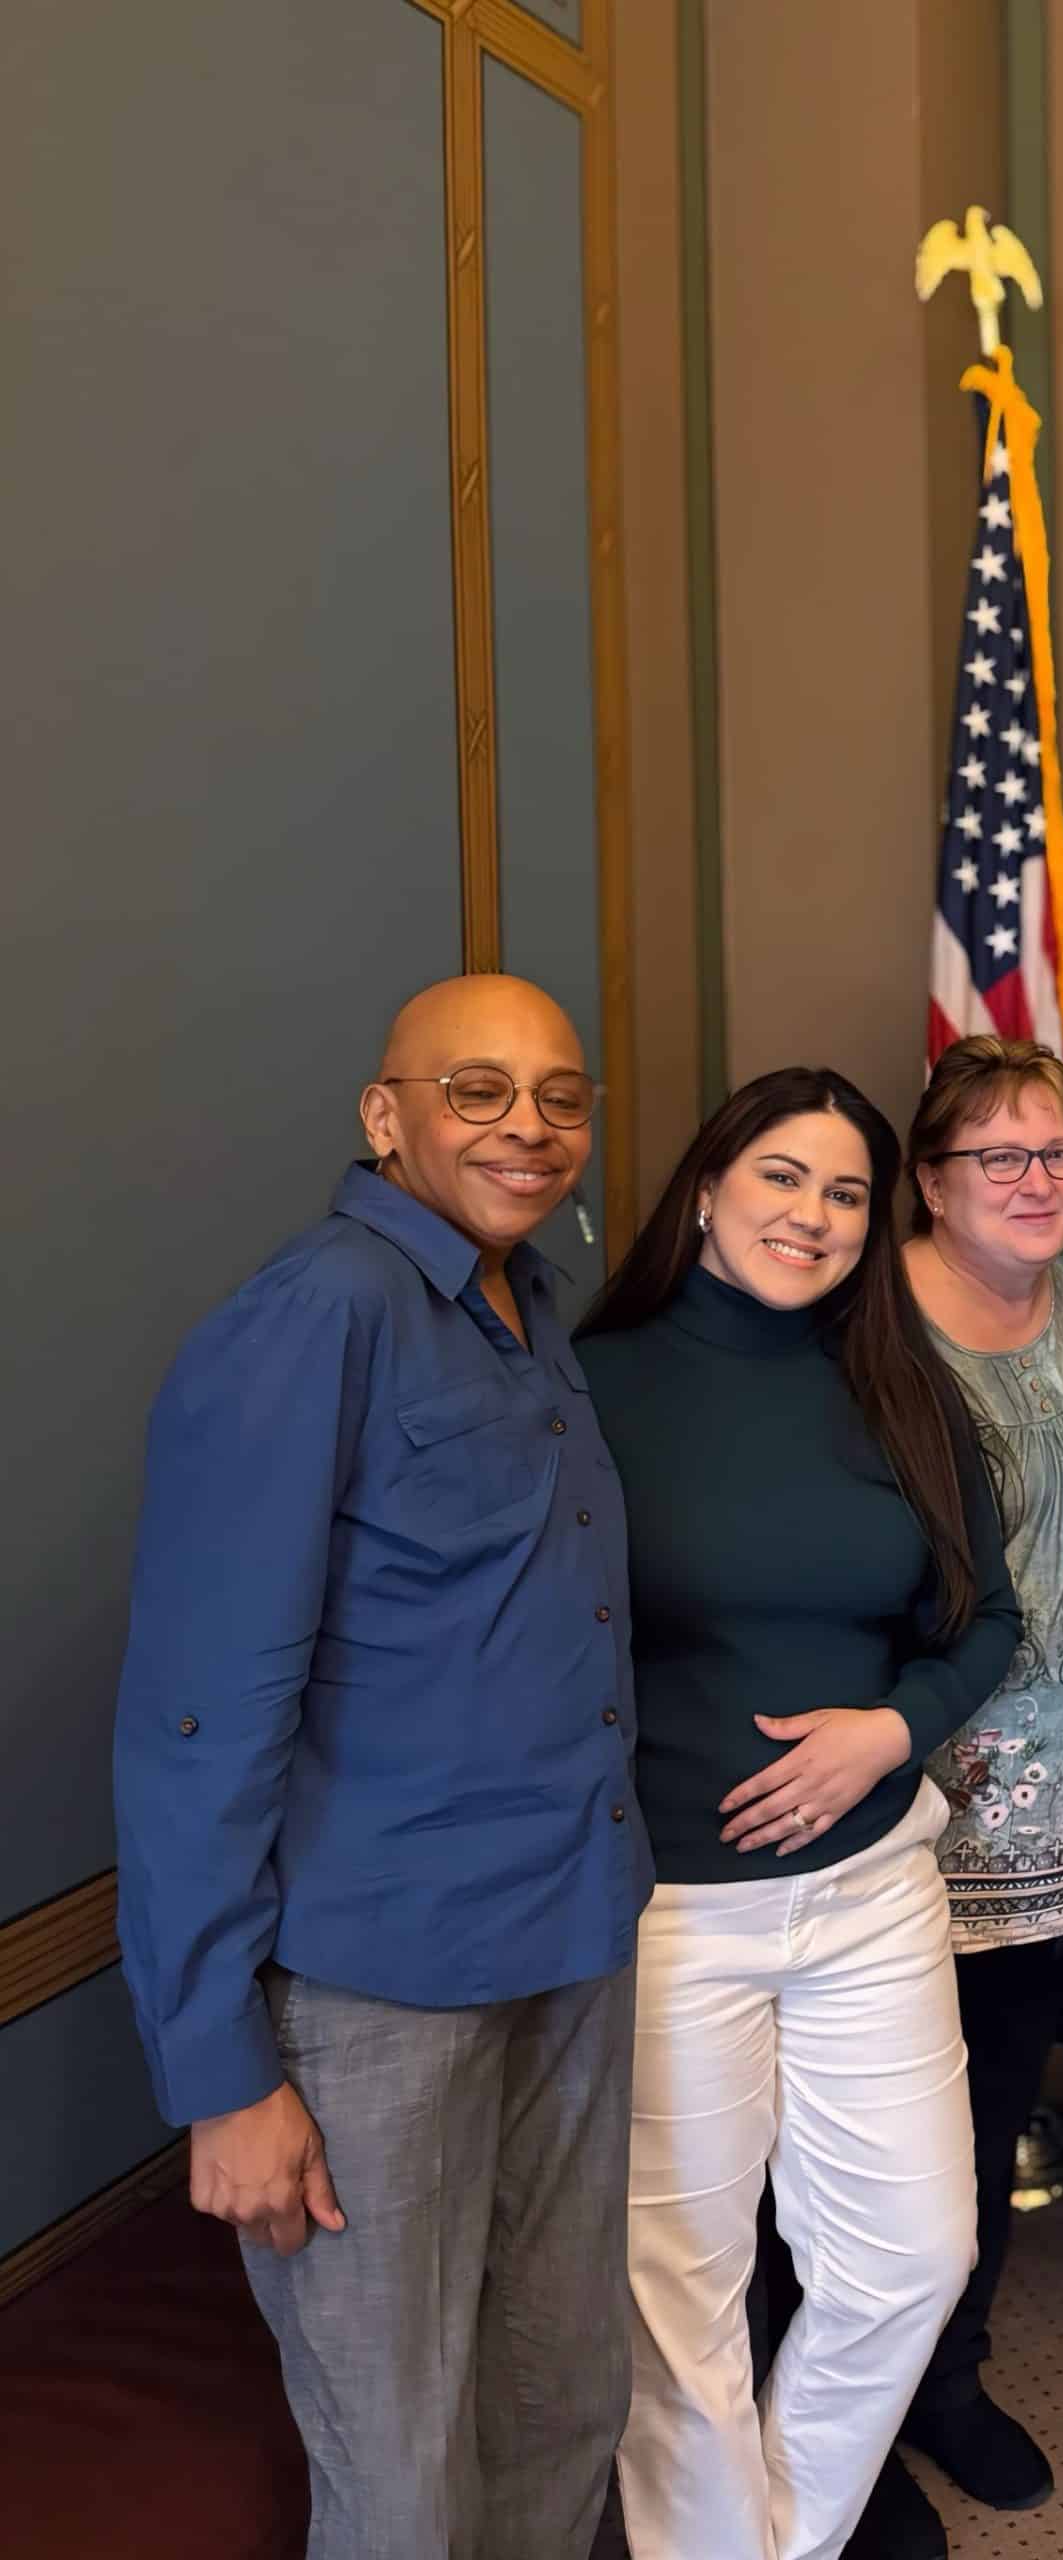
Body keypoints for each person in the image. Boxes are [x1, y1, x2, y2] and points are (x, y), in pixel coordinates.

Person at [113, 974, 644, 2558]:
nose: (528, 1126)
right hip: (377, 1989)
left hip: (569, 1936)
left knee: (563, 2400)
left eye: (560, 1095)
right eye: (477, 1090)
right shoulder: (317, 1313)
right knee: (401, 2474)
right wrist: (222, 2073)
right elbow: (196, 1713)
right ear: (384, 1115)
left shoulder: (528, 1302)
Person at [576, 1068, 1021, 2560]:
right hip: (671, 1908)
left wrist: (892, 1729)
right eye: (781, 1176)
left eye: (844, 1193)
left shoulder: (900, 1385)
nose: (813, 1215)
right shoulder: (592, 1384)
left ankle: (781, 2539)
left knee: (916, 2256)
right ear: (707, 1187)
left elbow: (988, 1619)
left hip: (874, 1891)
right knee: (680, 2294)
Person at [846, 1036, 1063, 2555]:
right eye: (998, 1157)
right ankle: (863, 2407)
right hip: (928, 1801)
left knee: (988, 2106)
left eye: (1058, 1153)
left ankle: (948, 2379)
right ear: (929, 1179)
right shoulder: (876, 1325)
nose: (1037, 1182)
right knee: (885, 2137)